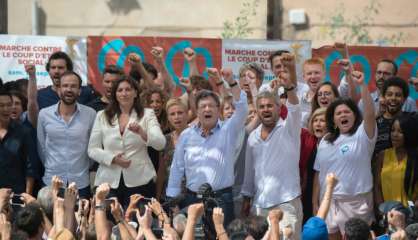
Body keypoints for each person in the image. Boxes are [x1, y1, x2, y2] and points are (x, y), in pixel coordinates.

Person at [166, 68, 248, 226]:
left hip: (222, 199)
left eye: (211, 106)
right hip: (192, 200)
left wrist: (231, 81)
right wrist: (172, 200)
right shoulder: (186, 135)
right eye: (203, 106)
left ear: (219, 110)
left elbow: (243, 108)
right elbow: (177, 169)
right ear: (196, 111)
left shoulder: (229, 130)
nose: (207, 109)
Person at [241, 54, 303, 239]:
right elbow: (249, 172)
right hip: (259, 204)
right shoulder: (253, 136)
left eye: (270, 106)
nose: (266, 109)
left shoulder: (289, 129)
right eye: (262, 107)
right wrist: (246, 197)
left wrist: (289, 86)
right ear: (257, 111)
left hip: (287, 202)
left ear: (278, 107)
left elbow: (295, 107)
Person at [313, 71, 376, 239]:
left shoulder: (363, 135)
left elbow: (370, 113)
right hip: (329, 202)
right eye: (338, 113)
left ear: (355, 115)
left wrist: (363, 85)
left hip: (357, 203)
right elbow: (319, 173)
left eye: (347, 112)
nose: (343, 115)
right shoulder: (325, 140)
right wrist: (315, 202)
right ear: (333, 120)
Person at [88, 76, 166, 207]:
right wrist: (113, 159)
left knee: (138, 223)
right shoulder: (102, 115)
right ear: (115, 94)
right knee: (109, 223)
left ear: (135, 93)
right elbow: (92, 149)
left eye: (128, 89)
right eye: (120, 90)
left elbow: (161, 143)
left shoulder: (147, 114)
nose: (124, 93)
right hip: (108, 181)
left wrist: (142, 132)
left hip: (140, 181)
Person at [37, 71, 96, 199]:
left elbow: (92, 148)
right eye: (65, 86)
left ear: (79, 91)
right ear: (58, 89)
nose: (69, 89)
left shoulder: (91, 114)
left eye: (73, 86)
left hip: (80, 183)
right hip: (51, 182)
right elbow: (41, 148)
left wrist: (83, 167)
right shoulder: (44, 114)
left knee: (80, 219)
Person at [374, 113, 418, 207]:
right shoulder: (383, 155)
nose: (394, 135)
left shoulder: (415, 158)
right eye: (392, 130)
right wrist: (383, 211)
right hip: (388, 214)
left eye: (400, 132)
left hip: (411, 216)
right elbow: (377, 187)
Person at [0, 89, 37, 194]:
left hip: (16, 194)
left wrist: (26, 195)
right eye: (1, 105)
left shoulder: (24, 132)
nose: (6, 109)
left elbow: (31, 168)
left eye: (9, 105)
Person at [155, 98, 189, 200]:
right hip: (170, 195)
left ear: (187, 114)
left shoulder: (197, 137)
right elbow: (161, 171)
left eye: (180, 113)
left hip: (192, 194)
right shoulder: (164, 140)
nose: (176, 117)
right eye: (172, 114)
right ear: (168, 118)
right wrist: (157, 197)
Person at [300, 107, 327, 222]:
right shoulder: (308, 142)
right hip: (307, 192)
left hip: (326, 192)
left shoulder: (334, 143)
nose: (318, 124)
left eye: (322, 121)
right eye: (315, 121)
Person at [375, 77, 410, 155]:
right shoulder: (374, 123)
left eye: (398, 95)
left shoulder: (411, 121)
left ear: (404, 99)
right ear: (384, 97)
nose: (393, 98)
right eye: (389, 94)